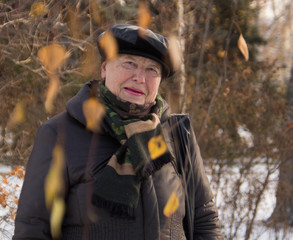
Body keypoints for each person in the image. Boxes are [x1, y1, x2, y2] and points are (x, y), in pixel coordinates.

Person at [13, 24, 223, 240]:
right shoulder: (60, 134)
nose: (140, 78)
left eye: (152, 70)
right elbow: (32, 229)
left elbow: (205, 220)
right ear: (104, 68)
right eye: (129, 63)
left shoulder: (177, 136)